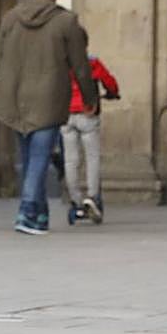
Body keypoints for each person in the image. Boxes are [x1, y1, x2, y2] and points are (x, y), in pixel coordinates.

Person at [0, 0, 97, 236]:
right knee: (39, 156)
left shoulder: (11, 17)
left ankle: (39, 214)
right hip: (48, 96)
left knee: (29, 157)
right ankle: (27, 211)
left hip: (15, 96)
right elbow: (81, 67)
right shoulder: (66, 22)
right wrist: (90, 97)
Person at [62, 42, 120, 224]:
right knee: (92, 157)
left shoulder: (60, 63)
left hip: (65, 114)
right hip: (87, 112)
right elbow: (109, 81)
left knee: (71, 160)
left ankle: (75, 199)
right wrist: (113, 93)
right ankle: (92, 197)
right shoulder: (92, 62)